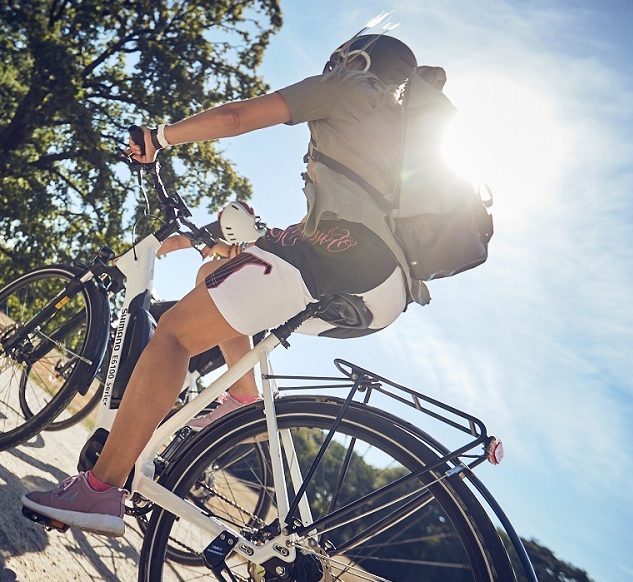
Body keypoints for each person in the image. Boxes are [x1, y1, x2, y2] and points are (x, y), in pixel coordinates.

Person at [22, 32, 428, 538]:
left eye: (344, 56)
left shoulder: (351, 88)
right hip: (383, 295)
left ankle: (101, 489)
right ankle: (241, 401)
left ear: (360, 60)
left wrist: (161, 138)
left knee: (173, 333)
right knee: (212, 278)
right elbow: (350, 215)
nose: (336, 61)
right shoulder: (406, 129)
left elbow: (236, 119)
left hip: (342, 258)